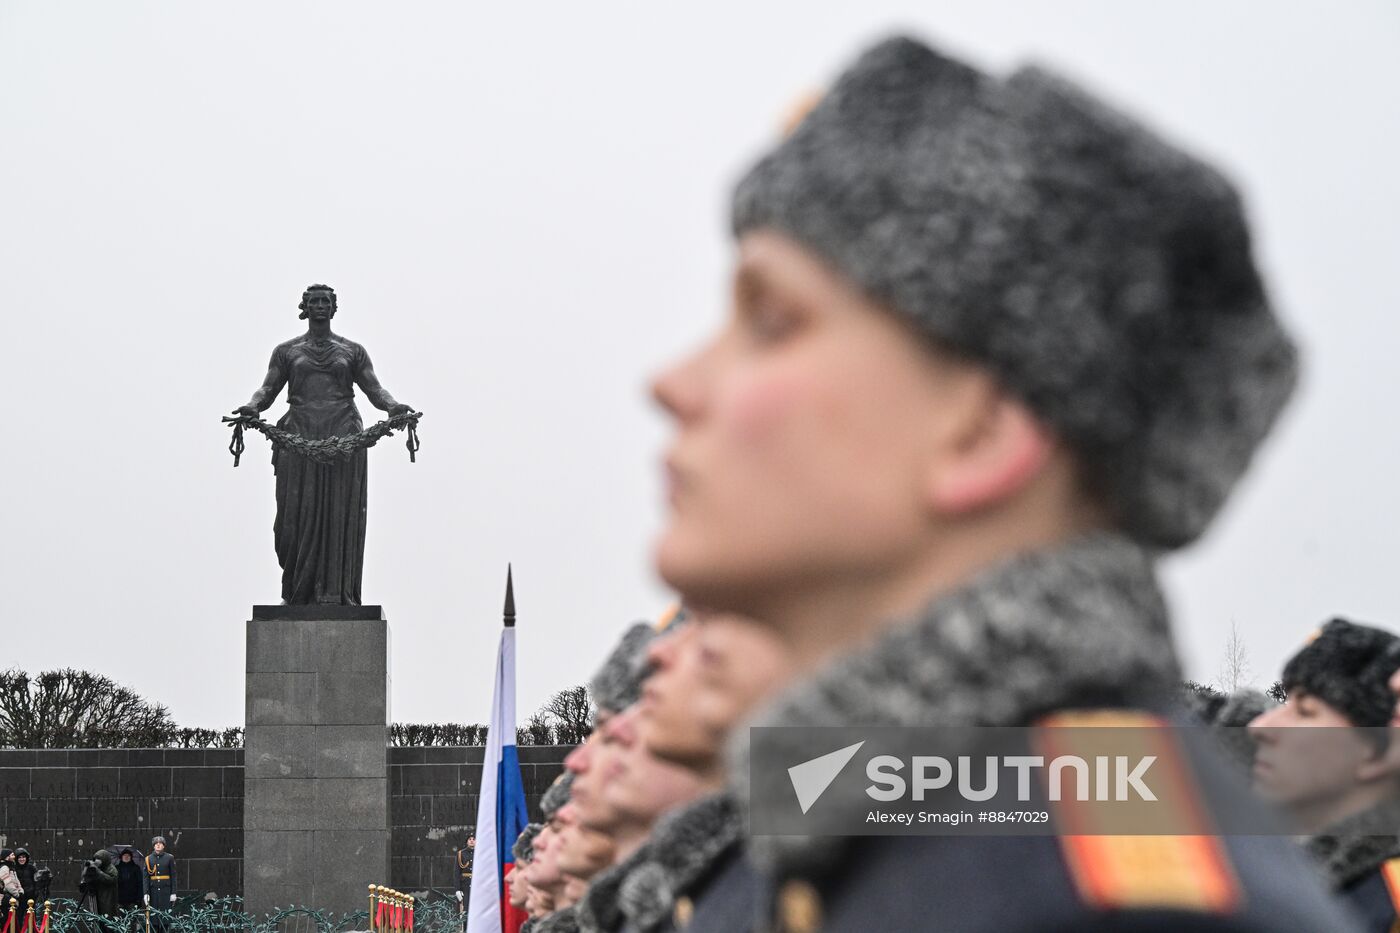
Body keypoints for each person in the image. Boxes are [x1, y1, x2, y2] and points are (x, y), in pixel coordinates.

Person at [648, 33, 1357, 932]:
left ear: (982, 433)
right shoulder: (921, 823)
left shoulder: (1119, 902)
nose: (673, 384)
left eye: (775, 320)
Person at [233, 284, 414, 605]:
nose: (319, 306)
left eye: (325, 301)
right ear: (305, 307)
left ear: (333, 308)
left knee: (339, 514)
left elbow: (375, 389)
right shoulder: (286, 351)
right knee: (292, 521)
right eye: (313, 301)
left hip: (343, 433)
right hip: (299, 434)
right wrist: (252, 407)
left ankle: (335, 595)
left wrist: (393, 406)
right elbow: (267, 389)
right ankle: (297, 592)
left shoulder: (352, 351)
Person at [1251, 619, 1400, 931]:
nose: (1261, 725)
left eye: (1305, 712)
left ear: (1377, 751)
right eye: (1285, 702)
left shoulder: (1385, 902)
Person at [143, 837, 176, 922]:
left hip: (166, 891)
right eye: (156, 843)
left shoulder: (169, 858)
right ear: (153, 846)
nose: (158, 845)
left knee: (165, 917)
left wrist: (173, 893)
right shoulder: (148, 859)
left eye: (160, 843)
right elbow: (146, 878)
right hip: (153, 891)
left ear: (163, 846)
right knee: (154, 919)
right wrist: (146, 893)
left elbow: (173, 876)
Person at [115, 849, 145, 915]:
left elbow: (140, 883)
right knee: (120, 920)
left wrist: (139, 898)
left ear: (131, 857)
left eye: (128, 855)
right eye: (124, 855)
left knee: (133, 919)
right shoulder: (116, 868)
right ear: (121, 857)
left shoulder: (136, 868)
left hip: (133, 900)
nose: (126, 857)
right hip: (120, 900)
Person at [454, 830, 475, 922]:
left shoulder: (480, 853)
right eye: (469, 839)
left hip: (476, 886)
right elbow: (457, 873)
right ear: (467, 841)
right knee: (465, 912)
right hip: (465, 887)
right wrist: (457, 889)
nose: (471, 841)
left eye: (474, 839)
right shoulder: (461, 854)